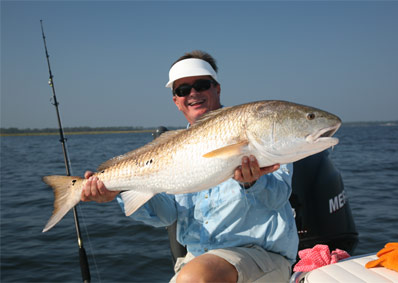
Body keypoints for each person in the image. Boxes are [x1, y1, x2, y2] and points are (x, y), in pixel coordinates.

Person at [81, 50, 299, 282]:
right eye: (183, 90)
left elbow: (278, 197)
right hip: (194, 261)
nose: (193, 93)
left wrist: (252, 182)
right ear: (176, 101)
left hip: (261, 258)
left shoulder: (257, 129)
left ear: (217, 88)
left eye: (202, 84)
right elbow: (166, 216)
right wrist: (120, 190)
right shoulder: (173, 147)